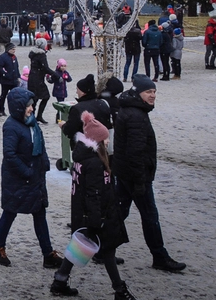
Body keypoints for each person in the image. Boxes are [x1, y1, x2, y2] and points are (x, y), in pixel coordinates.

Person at [48, 111, 136, 299]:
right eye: (105, 139)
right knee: (108, 250)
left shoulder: (82, 158)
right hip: (98, 214)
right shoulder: (95, 163)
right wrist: (97, 220)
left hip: (86, 213)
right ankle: (119, 290)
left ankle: (60, 280)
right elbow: (93, 194)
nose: (108, 141)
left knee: (80, 246)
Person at [113, 74, 186, 272]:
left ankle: (101, 248)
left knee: (120, 212)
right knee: (149, 215)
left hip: (127, 172)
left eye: (154, 91)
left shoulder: (132, 109)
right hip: (135, 175)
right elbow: (135, 152)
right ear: (138, 93)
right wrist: (140, 181)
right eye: (148, 92)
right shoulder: (136, 115)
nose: (153, 95)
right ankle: (159, 256)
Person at [0, 87, 63, 269]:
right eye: (28, 106)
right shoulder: (11, 126)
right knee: (10, 212)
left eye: (32, 105)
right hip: (18, 178)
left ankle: (48, 254)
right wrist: (26, 171)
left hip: (35, 177)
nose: (32, 109)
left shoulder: (32, 123)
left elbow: (41, 145)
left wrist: (44, 164)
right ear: (19, 107)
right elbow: (10, 154)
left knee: (40, 214)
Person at [28, 37, 55, 124]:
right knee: (42, 97)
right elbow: (45, 68)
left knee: (35, 98)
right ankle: (35, 116)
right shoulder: (41, 55)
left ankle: (35, 116)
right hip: (37, 79)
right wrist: (56, 75)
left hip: (33, 78)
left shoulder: (33, 53)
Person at [0, 43, 21, 116]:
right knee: (3, 95)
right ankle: (1, 110)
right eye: (12, 49)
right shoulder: (2, 57)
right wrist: (5, 74)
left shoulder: (14, 57)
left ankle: (14, 110)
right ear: (8, 49)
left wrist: (18, 76)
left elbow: (16, 67)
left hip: (14, 80)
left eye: (14, 49)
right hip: (5, 81)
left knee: (14, 97)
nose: (14, 51)